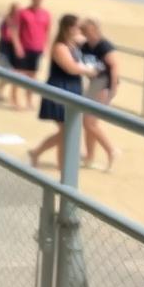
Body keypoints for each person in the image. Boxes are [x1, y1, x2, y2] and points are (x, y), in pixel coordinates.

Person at [28, 14, 97, 171]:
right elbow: (71, 68)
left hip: (72, 88)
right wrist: (89, 70)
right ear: (69, 28)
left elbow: (90, 42)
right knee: (66, 130)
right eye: (77, 27)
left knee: (66, 130)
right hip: (60, 88)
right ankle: (54, 162)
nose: (80, 30)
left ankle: (45, 156)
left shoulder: (73, 44)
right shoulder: (60, 46)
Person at [79, 17, 119, 170]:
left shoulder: (104, 46)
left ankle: (111, 150)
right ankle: (90, 157)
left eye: (86, 29)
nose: (84, 32)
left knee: (89, 123)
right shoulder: (86, 45)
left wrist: (111, 90)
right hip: (93, 84)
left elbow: (115, 67)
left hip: (104, 85)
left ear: (94, 29)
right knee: (89, 124)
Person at [16, 0, 51, 109]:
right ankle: (15, 99)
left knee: (32, 76)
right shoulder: (23, 13)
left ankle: (29, 100)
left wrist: (46, 47)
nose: (38, 0)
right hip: (24, 48)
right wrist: (18, 46)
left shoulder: (46, 14)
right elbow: (15, 30)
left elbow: (47, 32)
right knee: (19, 75)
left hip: (37, 49)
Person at [0, 2, 23, 105]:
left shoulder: (20, 21)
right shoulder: (7, 20)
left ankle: (13, 96)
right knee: (7, 72)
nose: (17, 12)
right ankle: (0, 92)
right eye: (16, 10)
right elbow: (6, 35)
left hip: (13, 50)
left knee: (15, 73)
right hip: (4, 49)